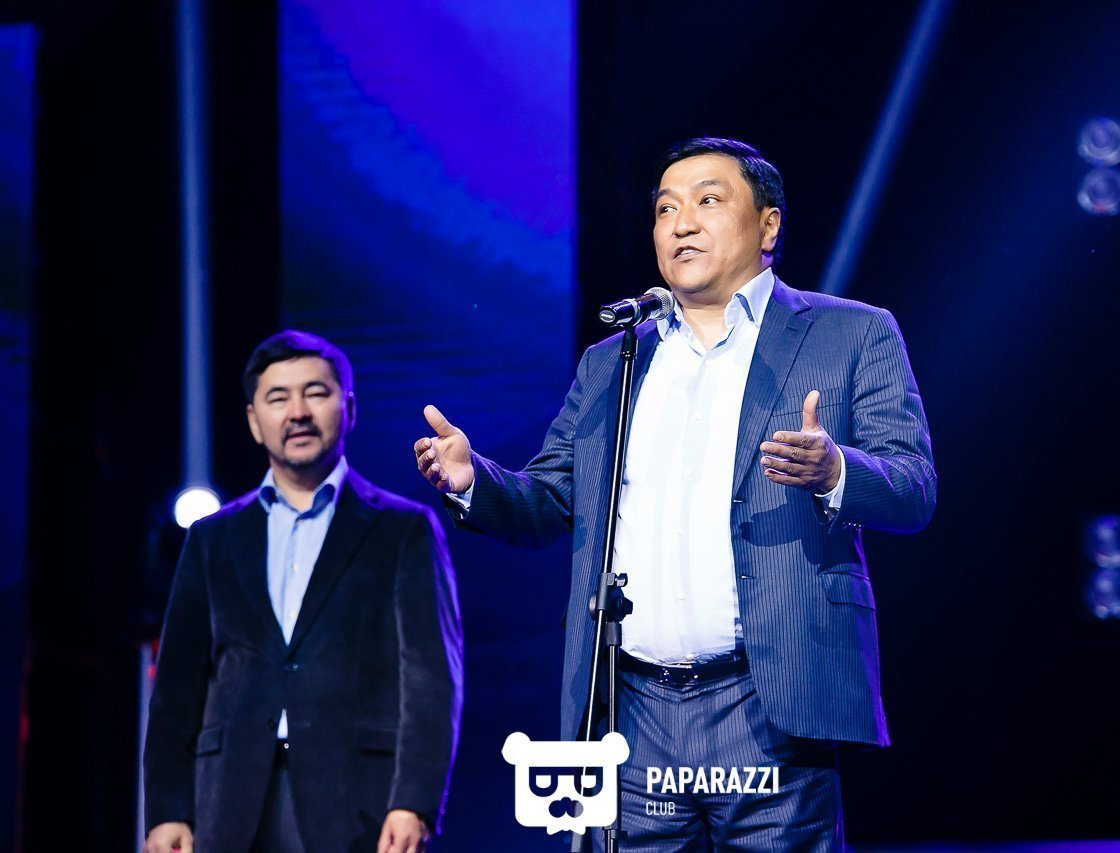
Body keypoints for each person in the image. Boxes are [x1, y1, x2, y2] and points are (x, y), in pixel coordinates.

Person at [414, 137, 935, 849]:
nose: (681, 223)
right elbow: (551, 500)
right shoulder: (615, 361)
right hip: (633, 712)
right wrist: (474, 479)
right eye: (665, 209)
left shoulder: (852, 334)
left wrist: (835, 469)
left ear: (769, 226)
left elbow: (913, 485)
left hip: (769, 703)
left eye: (708, 201)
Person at [145, 330, 462, 853]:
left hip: (360, 804)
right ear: (254, 421)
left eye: (315, 393)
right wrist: (166, 810)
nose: (297, 412)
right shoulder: (212, 538)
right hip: (227, 802)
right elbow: (177, 687)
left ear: (349, 408)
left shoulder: (403, 529)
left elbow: (430, 680)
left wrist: (415, 802)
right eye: (278, 398)